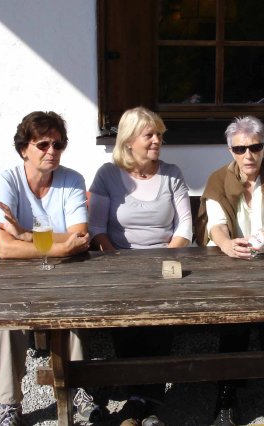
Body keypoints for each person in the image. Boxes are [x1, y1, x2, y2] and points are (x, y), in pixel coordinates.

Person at [0, 111, 96, 426]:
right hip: (15, 269)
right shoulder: (7, 180)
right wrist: (59, 246)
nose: (52, 151)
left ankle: (78, 387)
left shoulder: (71, 179)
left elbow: (80, 236)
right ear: (24, 148)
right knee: (4, 317)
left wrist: (24, 234)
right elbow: (4, 248)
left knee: (73, 307)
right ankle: (8, 402)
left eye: (58, 144)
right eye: (43, 144)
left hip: (62, 268)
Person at [88, 106, 192, 425]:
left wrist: (165, 261)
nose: (157, 140)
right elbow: (97, 228)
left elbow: (185, 228)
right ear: (129, 140)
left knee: (159, 319)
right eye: (149, 135)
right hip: (119, 263)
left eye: (159, 134)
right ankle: (142, 399)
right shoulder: (107, 174)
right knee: (126, 322)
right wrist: (117, 261)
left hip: (165, 262)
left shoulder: (171, 173)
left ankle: (141, 402)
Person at [195, 115, 264, 425]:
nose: (248, 155)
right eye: (240, 149)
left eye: (254, 147)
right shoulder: (217, 180)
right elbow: (216, 226)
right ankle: (227, 396)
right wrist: (227, 245)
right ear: (231, 151)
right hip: (232, 265)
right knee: (234, 324)